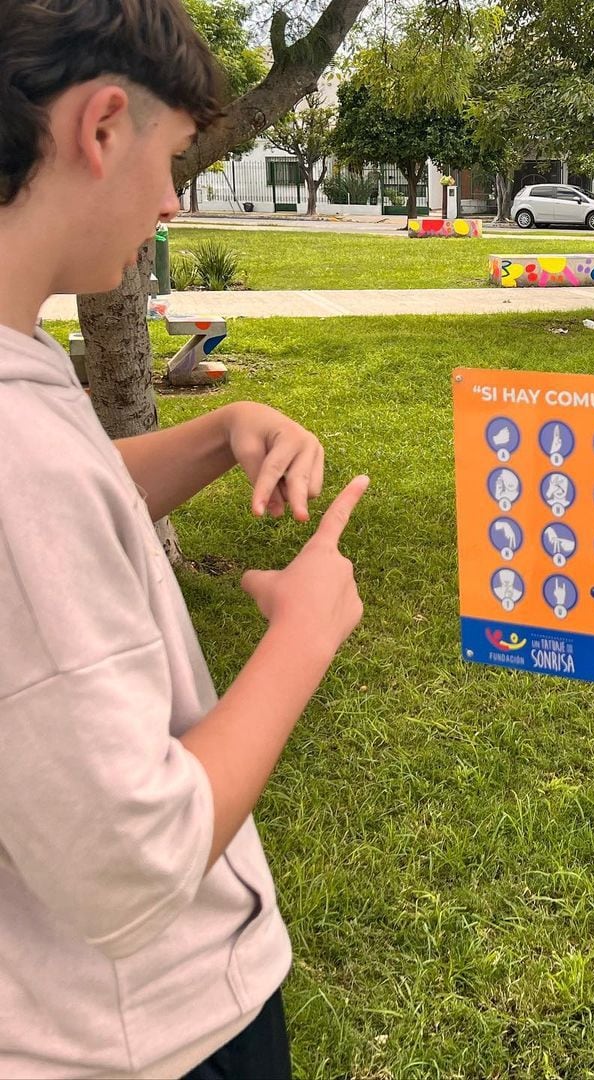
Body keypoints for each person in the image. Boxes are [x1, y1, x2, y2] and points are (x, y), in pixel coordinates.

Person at [0, 2, 367, 1077]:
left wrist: (211, 436)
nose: (168, 200)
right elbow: (134, 860)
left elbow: (53, 525)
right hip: (141, 1042)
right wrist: (303, 633)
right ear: (101, 126)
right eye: (170, 158)